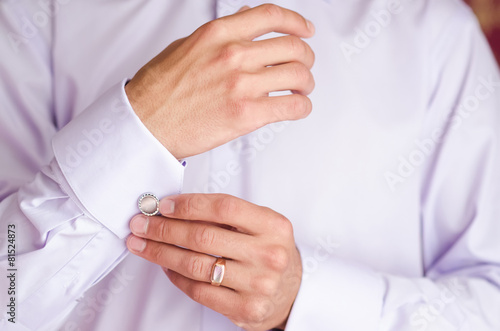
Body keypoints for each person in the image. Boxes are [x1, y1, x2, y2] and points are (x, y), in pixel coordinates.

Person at [1, 0, 499, 330]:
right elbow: (8, 301)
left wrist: (306, 298)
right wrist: (140, 124)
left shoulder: (434, 32)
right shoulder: (38, 11)